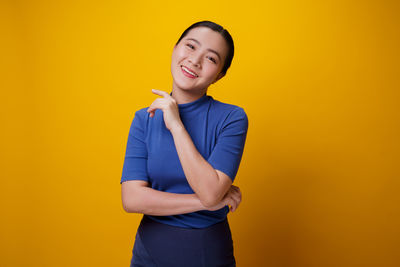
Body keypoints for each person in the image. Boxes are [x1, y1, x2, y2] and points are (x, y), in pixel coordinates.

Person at [120, 20, 249, 267]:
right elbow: (132, 199)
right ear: (175, 48)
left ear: (220, 75)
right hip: (148, 253)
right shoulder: (143, 118)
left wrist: (176, 126)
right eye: (190, 46)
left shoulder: (232, 118)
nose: (195, 61)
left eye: (211, 59)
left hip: (206, 253)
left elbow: (211, 191)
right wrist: (205, 203)